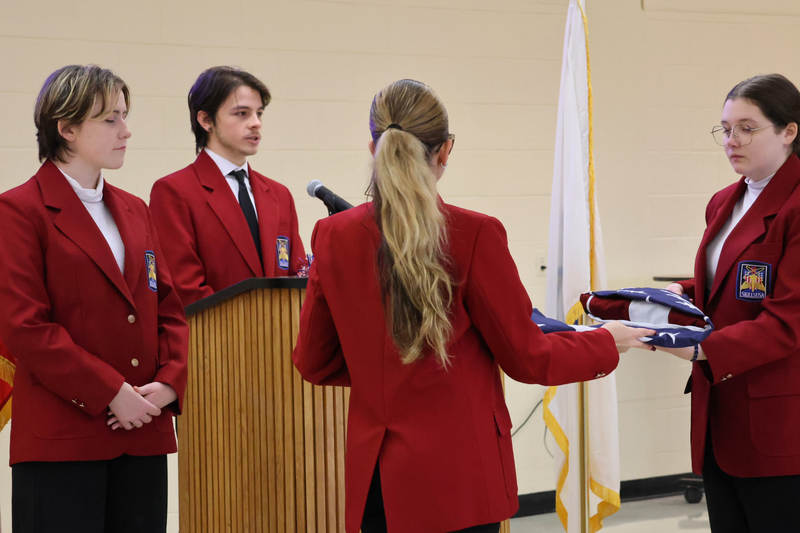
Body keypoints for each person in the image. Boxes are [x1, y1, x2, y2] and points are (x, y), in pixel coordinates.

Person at [292, 79, 653, 533]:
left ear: (373, 147)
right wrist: (607, 343)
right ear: (445, 151)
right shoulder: (474, 234)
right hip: (460, 480)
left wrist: (380, 371)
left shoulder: (333, 236)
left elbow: (313, 362)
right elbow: (527, 357)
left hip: (378, 483)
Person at [0, 65, 188, 533]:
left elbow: (168, 307)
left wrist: (169, 383)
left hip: (142, 430)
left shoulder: (135, 208)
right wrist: (110, 393)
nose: (126, 130)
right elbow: (25, 327)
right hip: (62, 441)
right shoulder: (18, 210)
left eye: (125, 116)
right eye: (110, 120)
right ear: (65, 128)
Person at [661, 74, 800, 532]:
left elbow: (787, 320)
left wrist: (703, 348)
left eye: (747, 127)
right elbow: (731, 283)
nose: (731, 141)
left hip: (779, 422)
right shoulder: (725, 200)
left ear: (788, 131)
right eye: (725, 128)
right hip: (720, 413)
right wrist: (681, 293)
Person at [149, 66, 305, 306]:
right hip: (215, 338)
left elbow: (296, 276)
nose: (256, 123)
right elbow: (185, 289)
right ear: (206, 119)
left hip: (280, 336)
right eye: (242, 113)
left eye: (259, 113)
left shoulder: (278, 194)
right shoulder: (174, 192)